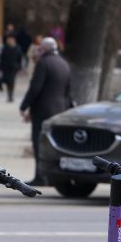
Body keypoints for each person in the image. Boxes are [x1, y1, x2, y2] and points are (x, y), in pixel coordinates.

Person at [19, 36, 72, 182]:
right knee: (54, 144)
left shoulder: (44, 63)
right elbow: (68, 91)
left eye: (40, 48)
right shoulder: (64, 63)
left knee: (39, 143)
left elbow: (35, 88)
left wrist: (24, 106)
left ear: (44, 49)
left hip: (42, 111)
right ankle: (54, 176)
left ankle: (40, 176)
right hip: (59, 110)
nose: (38, 51)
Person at [0, 35, 23, 102]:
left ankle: (10, 96)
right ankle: (8, 94)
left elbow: (20, 58)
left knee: (11, 82)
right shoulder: (5, 48)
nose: (9, 41)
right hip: (5, 67)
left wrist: (19, 67)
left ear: (13, 40)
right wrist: (0, 67)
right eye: (8, 40)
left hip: (13, 68)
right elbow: (2, 58)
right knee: (6, 81)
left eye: (10, 39)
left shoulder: (18, 48)